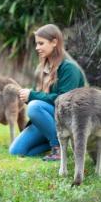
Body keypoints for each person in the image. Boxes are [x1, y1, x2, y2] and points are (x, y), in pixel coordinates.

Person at [9, 24, 87, 161]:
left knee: (34, 106)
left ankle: (58, 149)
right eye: (36, 44)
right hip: (49, 119)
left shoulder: (69, 68)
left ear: (54, 42)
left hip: (67, 118)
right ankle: (54, 142)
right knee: (16, 151)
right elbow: (43, 97)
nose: (37, 48)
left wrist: (31, 95)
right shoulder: (42, 68)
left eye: (41, 43)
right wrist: (27, 96)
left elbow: (64, 100)